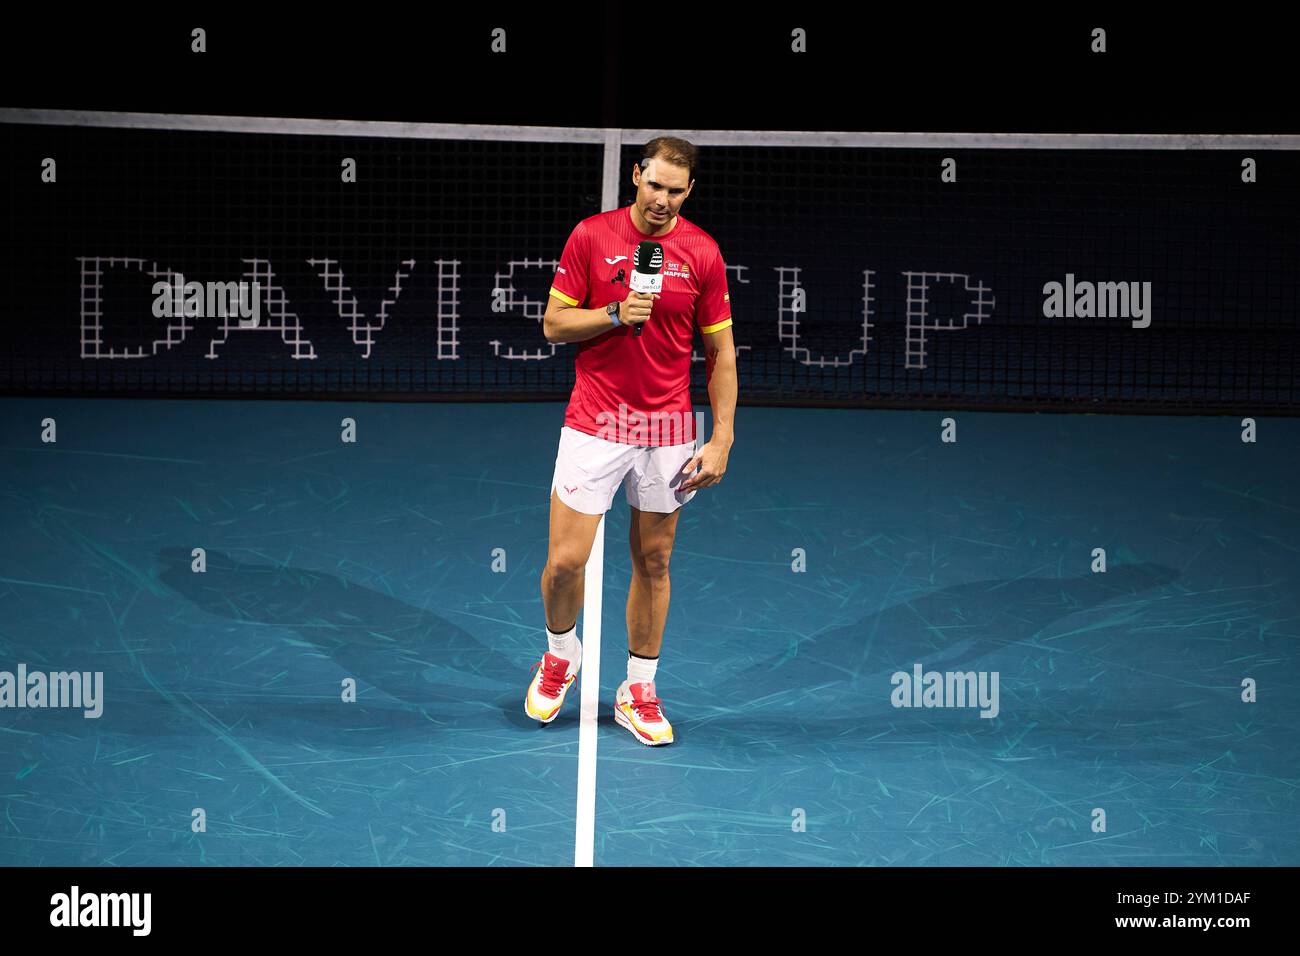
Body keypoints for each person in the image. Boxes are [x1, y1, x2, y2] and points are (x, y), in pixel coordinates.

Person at [523, 135, 738, 745]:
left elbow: (721, 353)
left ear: (688, 191)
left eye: (676, 191)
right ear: (636, 176)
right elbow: (553, 323)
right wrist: (616, 313)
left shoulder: (703, 252)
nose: (663, 200)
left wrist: (720, 438)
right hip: (596, 420)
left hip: (668, 426)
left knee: (655, 560)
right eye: (654, 185)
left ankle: (637, 688)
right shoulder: (592, 236)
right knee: (565, 563)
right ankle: (561, 653)